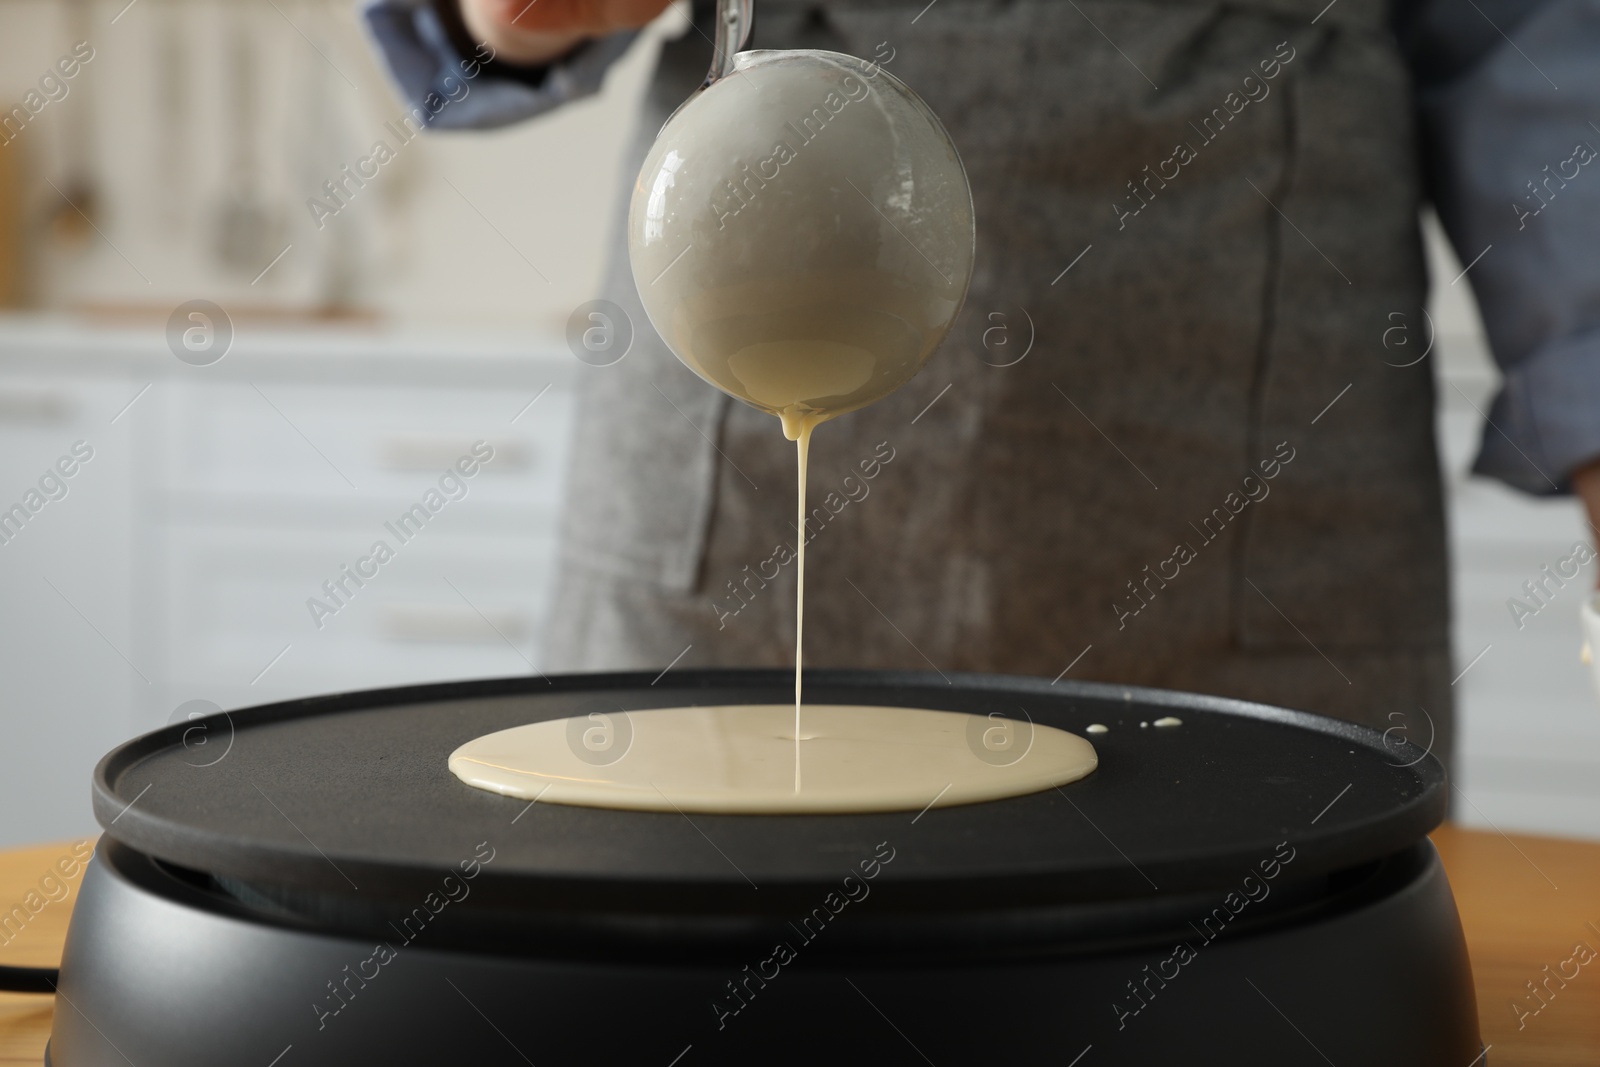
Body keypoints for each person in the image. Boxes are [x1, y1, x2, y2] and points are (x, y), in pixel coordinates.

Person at [365, 0, 1600, 770]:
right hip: (729, 485)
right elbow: (475, 37)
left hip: (1258, 489)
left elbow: (1545, 61)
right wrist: (498, 14)